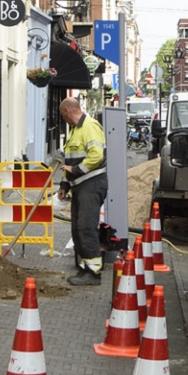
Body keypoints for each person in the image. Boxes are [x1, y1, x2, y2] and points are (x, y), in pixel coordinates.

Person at [57, 97, 108, 285]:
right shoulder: (75, 131)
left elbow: (96, 155)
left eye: (64, 116)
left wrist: (76, 171)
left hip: (92, 184)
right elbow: (68, 162)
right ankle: (84, 268)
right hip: (80, 186)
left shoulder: (90, 127)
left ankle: (94, 273)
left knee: (86, 227)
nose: (64, 120)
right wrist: (64, 185)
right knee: (78, 228)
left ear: (68, 111)